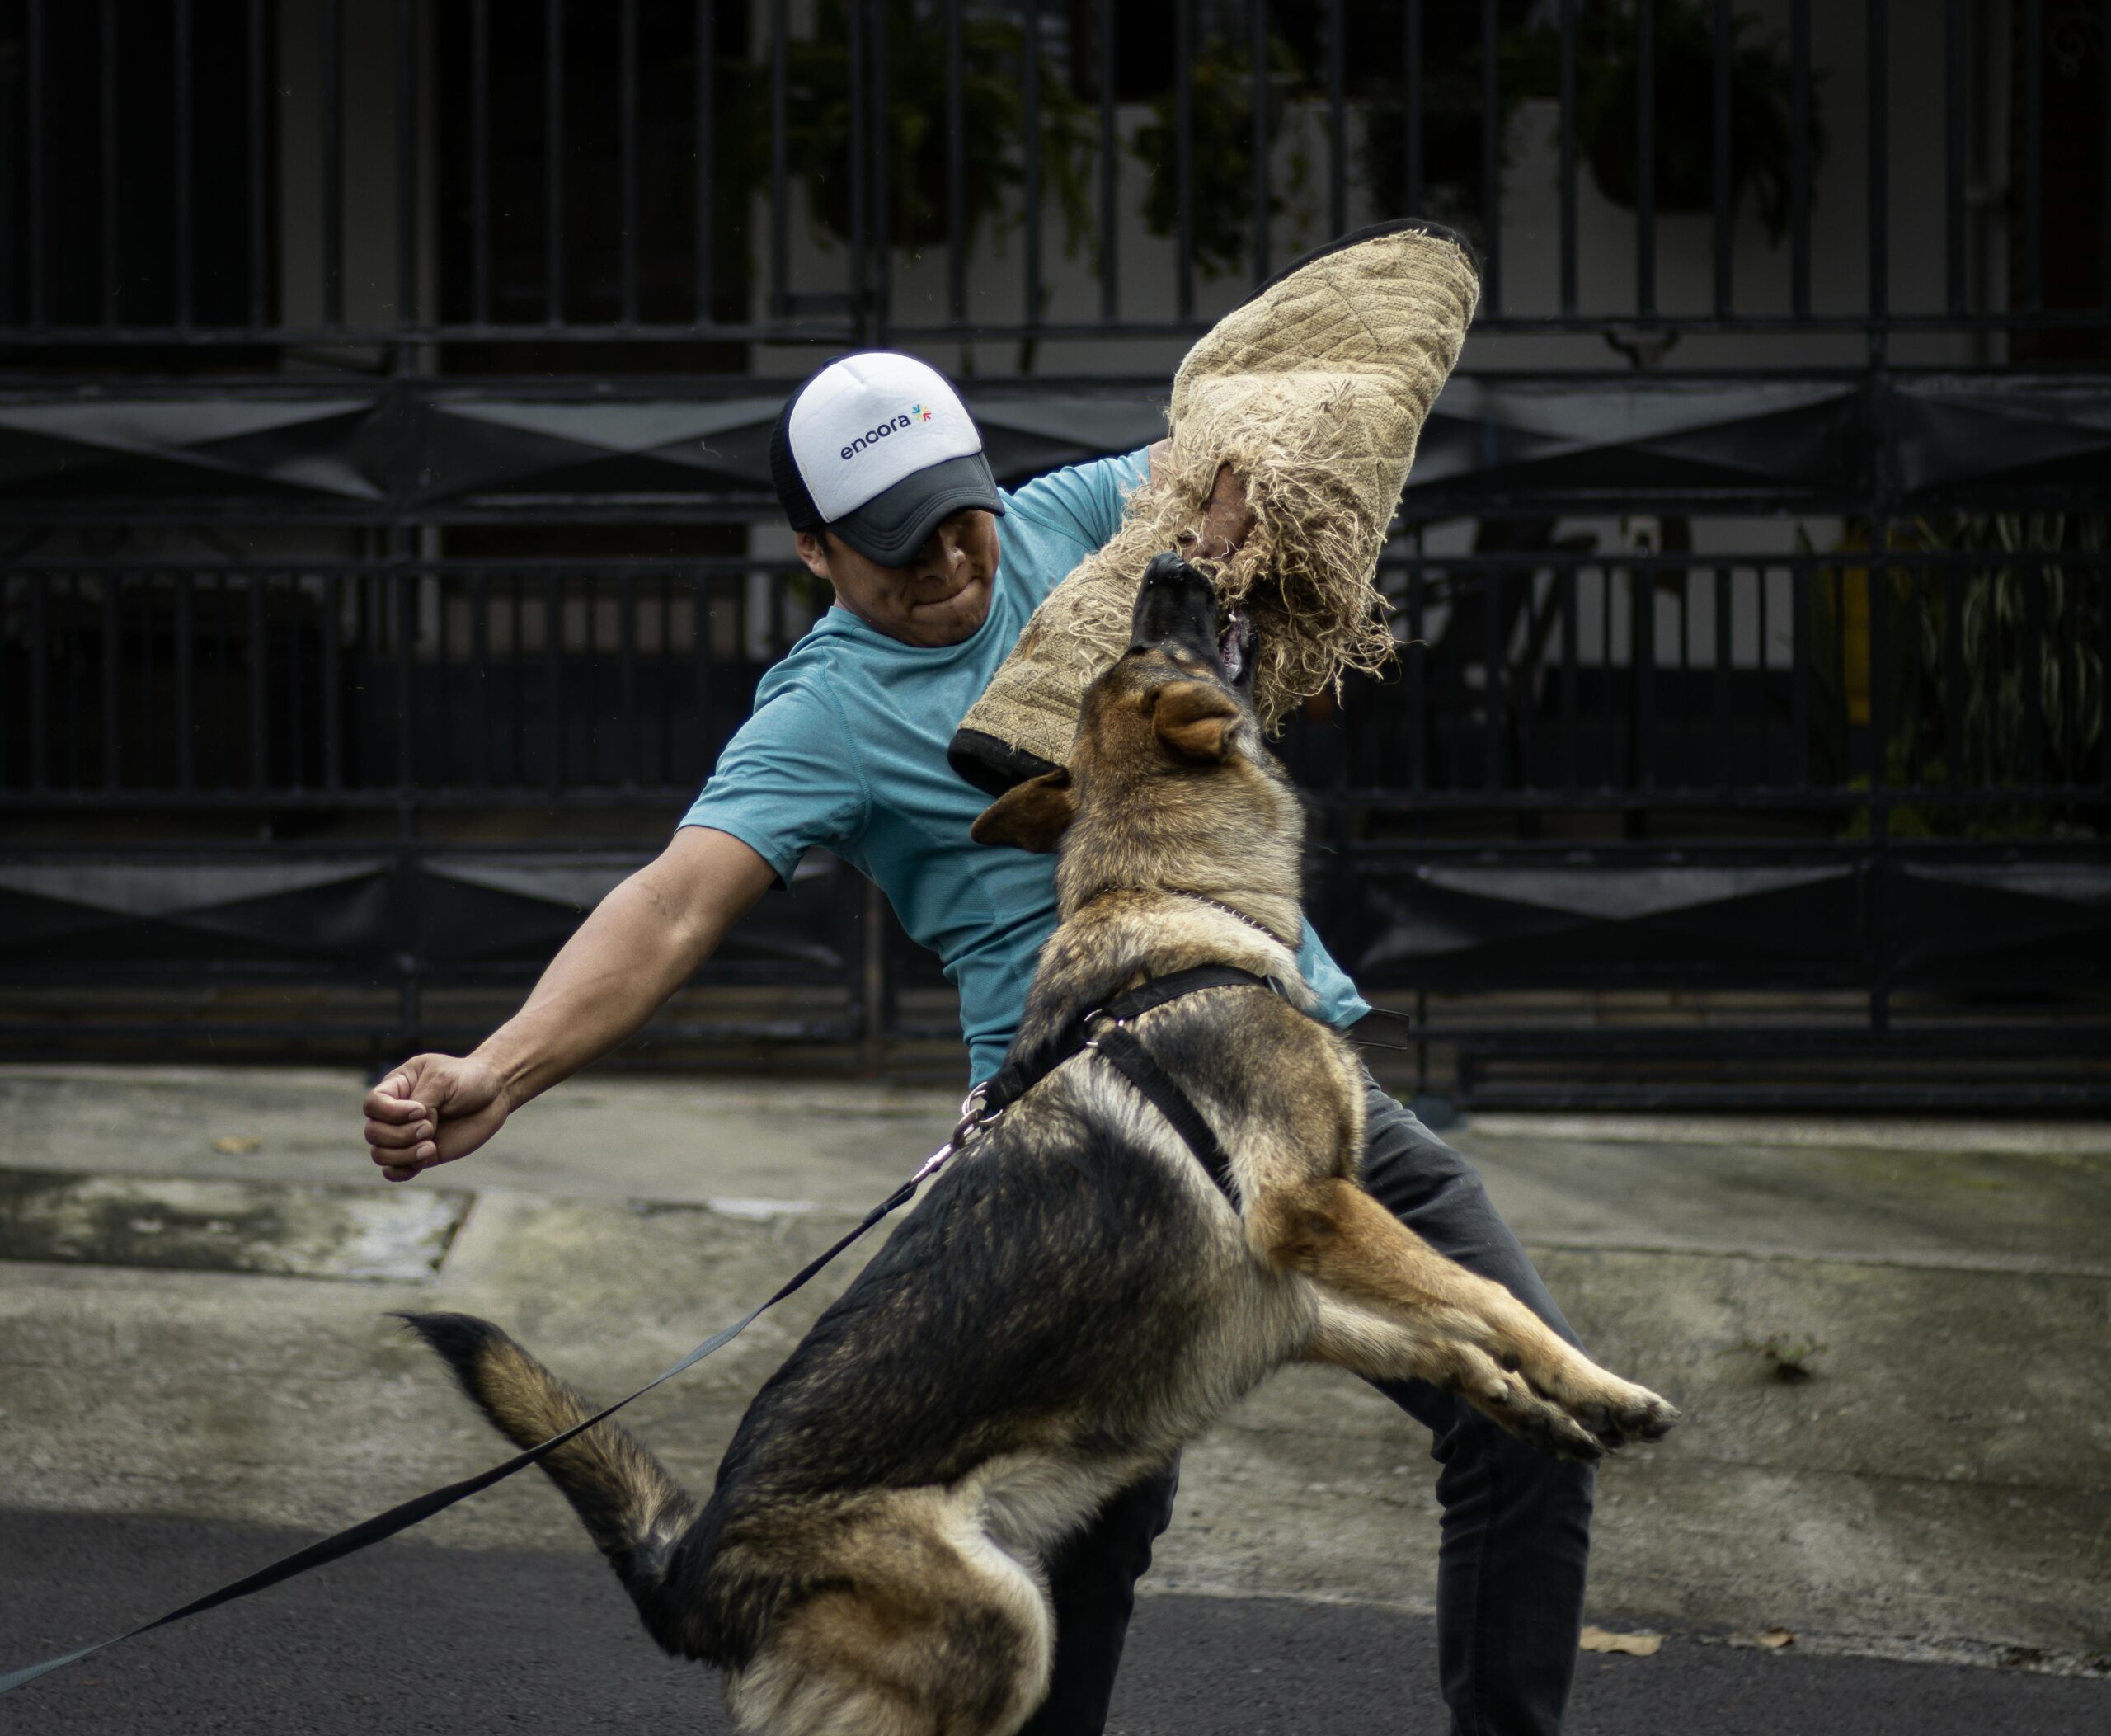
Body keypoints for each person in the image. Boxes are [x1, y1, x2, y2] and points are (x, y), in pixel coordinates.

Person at [364, 350, 1596, 1736]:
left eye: (961, 512)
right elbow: (668, 905)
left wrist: (1279, 488)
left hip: (1278, 1065)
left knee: (1531, 1407)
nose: (950, 555)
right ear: (815, 552)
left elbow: (1241, 458)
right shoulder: (824, 709)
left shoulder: (1071, 516)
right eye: (899, 541)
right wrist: (498, 1068)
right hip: (1079, 1145)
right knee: (1086, 1528)